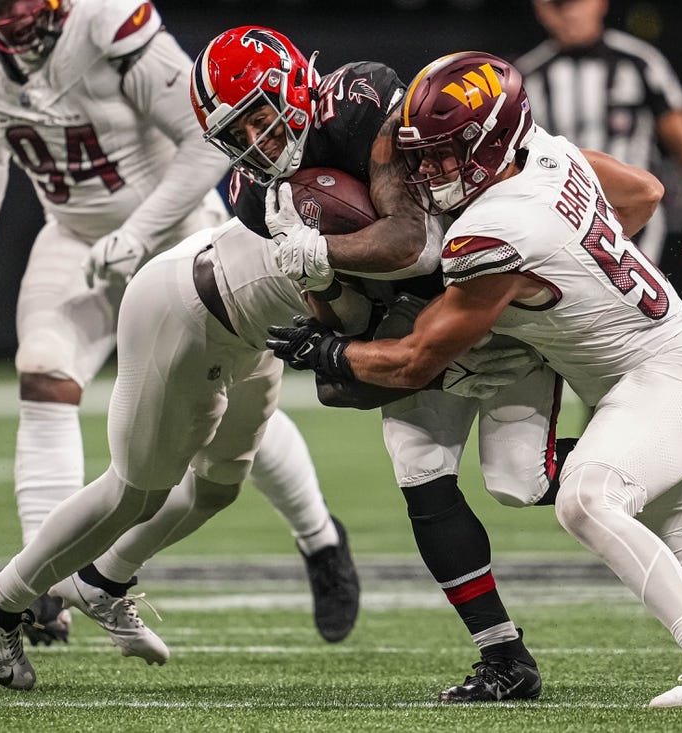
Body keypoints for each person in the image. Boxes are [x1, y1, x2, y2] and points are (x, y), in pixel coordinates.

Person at [265, 51, 682, 708]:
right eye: (423, 153)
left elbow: (416, 361)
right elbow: (643, 191)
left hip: (662, 376)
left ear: (496, 140)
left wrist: (329, 353)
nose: (433, 169)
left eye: (449, 151)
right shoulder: (549, 154)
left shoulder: (492, 230)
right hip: (670, 368)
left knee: (586, 498)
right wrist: (573, 282)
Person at [0, 0, 357, 651]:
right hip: (74, 237)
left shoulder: (108, 24)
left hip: (176, 236)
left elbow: (206, 141)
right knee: (44, 376)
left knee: (237, 418)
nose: (8, 13)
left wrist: (139, 232)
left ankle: (320, 538)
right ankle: (43, 590)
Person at [190, 26, 573, 702]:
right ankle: (504, 657)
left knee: (524, 480)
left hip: (485, 299)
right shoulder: (260, 196)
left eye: (259, 114)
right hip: (416, 323)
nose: (257, 141)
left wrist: (324, 252)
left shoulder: (362, 97)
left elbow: (416, 242)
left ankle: (669, 462)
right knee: (420, 469)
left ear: (289, 83)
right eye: (237, 132)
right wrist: (324, 302)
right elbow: (350, 315)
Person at [515, 0, 682, 282]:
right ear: (542, 9)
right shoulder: (529, 75)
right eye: (558, 5)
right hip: (558, 220)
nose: (570, 13)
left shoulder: (639, 61)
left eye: (576, 2)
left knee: (621, 314)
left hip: (633, 218)